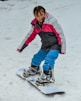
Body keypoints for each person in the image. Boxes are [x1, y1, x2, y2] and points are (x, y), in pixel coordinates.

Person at [17, 6, 66, 85]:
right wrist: (21, 46)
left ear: (45, 13)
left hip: (55, 45)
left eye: (41, 14)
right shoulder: (36, 25)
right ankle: (34, 69)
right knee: (36, 57)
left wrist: (62, 47)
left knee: (49, 59)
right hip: (45, 46)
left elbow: (60, 34)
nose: (39, 17)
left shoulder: (51, 22)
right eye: (37, 15)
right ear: (34, 16)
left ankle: (48, 77)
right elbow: (30, 36)